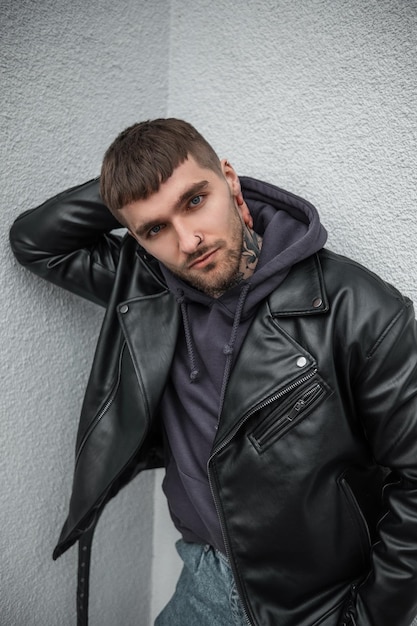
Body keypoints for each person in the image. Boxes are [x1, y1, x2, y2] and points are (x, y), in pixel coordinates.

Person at [9, 118, 417, 626]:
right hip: (201, 580)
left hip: (317, 605)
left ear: (230, 180)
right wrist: (128, 185)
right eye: (155, 228)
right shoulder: (147, 289)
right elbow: (34, 242)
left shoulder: (358, 308)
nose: (188, 240)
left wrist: (372, 619)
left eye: (195, 199)